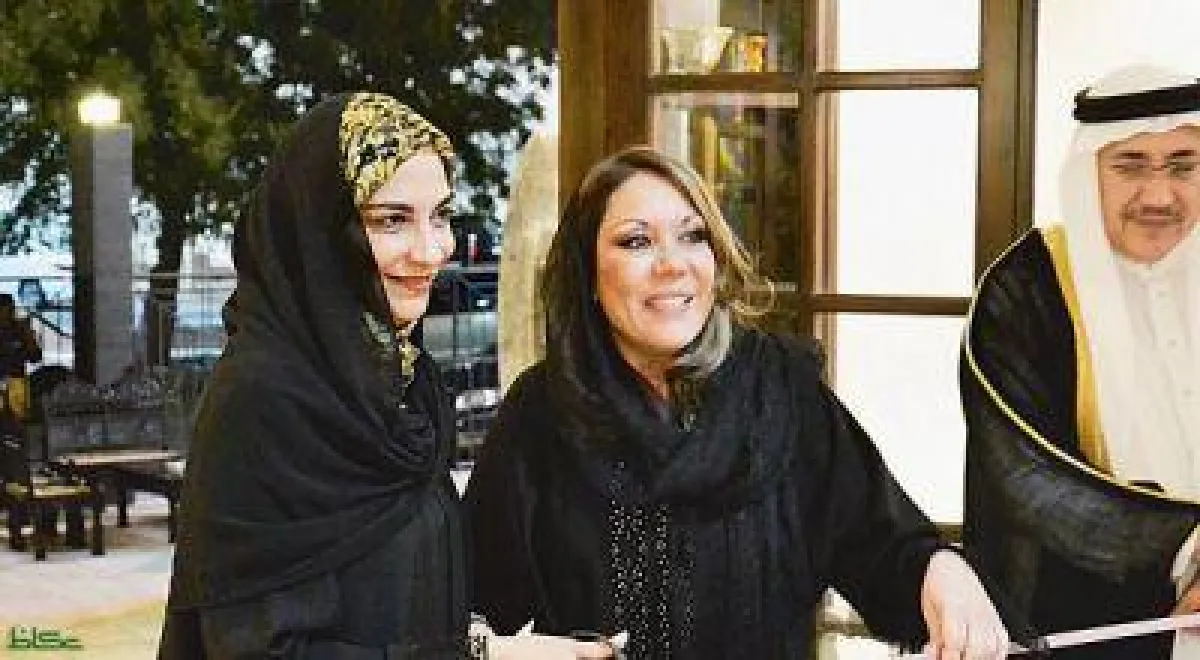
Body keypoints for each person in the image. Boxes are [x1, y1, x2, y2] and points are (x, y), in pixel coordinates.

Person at [466, 145, 1011, 659]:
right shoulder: (540, 415)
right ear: (587, 273)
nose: (672, 265)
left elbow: (884, 547)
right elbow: (470, 606)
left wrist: (944, 572)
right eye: (636, 242)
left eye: (693, 236)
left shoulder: (780, 394)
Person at [159, 92, 612, 659]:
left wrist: (490, 643)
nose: (431, 251)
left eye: (440, 215)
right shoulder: (264, 402)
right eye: (391, 220)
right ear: (321, 234)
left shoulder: (408, 386)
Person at [962, 64, 1200, 660]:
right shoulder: (1026, 289)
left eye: (1183, 166)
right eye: (1130, 166)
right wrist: (1187, 549)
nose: (1159, 196)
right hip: (1083, 625)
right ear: (1089, 169)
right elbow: (1025, 476)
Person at [0, 293, 41, 423]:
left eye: (9, 310)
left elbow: (35, 357)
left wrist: (28, 336)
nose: (5, 315)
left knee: (19, 422)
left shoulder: (20, 330)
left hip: (17, 383)